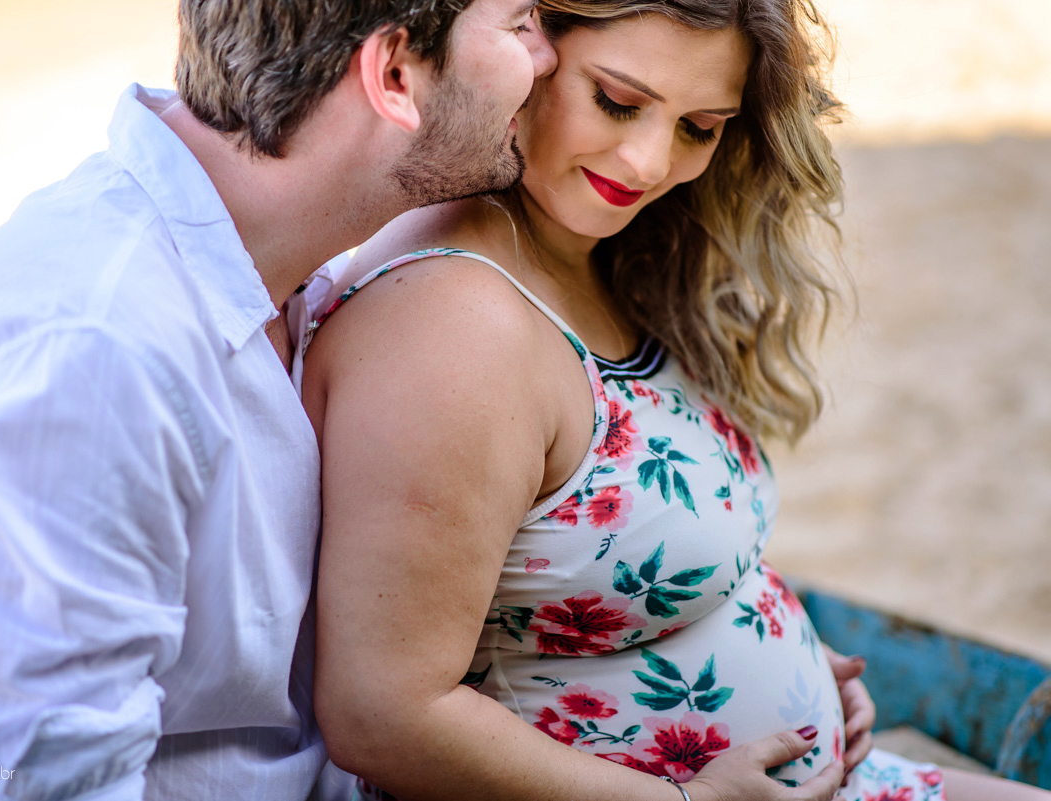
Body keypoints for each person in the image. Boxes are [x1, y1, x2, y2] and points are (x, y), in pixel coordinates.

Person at [299, 1, 1051, 800]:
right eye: (618, 102)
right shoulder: (452, 323)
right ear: (529, 51)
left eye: (701, 126)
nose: (649, 162)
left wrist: (800, 671)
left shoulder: (593, 255)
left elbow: (600, 564)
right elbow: (382, 713)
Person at [0, 1, 557, 799]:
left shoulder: (283, 270)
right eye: (521, 20)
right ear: (394, 74)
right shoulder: (98, 353)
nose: (549, 55)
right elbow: (36, 782)